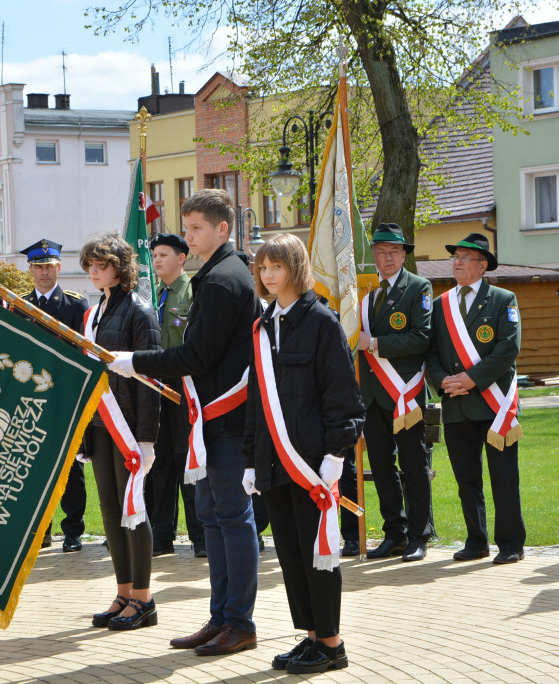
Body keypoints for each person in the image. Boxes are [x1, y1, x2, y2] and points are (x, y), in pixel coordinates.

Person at [108, 188, 260, 656]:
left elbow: (197, 354)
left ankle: (239, 622)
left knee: (232, 519)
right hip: (211, 418)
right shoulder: (214, 274)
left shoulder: (222, 280)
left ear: (222, 229)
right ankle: (221, 617)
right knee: (213, 517)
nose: (189, 236)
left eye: (196, 228)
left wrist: (135, 361)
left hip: (228, 419)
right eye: (187, 227)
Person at [243, 234, 364, 674]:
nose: (269, 275)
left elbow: (342, 398)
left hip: (312, 462)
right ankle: (311, 635)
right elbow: (258, 399)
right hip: (274, 463)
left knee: (319, 554)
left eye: (276, 266)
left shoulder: (321, 322)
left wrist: (336, 454)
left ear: (296, 268)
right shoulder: (262, 326)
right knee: (291, 553)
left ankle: (331, 643)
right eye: (263, 268)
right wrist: (251, 460)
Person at [425, 232, 526, 564]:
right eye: (455, 257)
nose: (457, 262)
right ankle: (476, 540)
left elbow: (507, 349)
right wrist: (444, 382)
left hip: (495, 405)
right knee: (466, 479)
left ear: (483, 266)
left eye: (465, 258)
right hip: (456, 407)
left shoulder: (502, 299)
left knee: (504, 476)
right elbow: (432, 354)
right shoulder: (442, 305)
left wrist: (471, 379)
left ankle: (510, 544)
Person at [79, 233, 161, 630]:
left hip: (129, 427)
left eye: (101, 265)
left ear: (121, 268)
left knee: (134, 510)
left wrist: (146, 439)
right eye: (90, 266)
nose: (94, 272)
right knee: (111, 512)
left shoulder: (140, 312)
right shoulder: (96, 311)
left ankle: (144, 599)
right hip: (100, 424)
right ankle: (124, 591)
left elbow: (148, 379)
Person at [356, 223, 433, 561]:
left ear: (404, 254)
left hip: (405, 393)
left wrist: (374, 343)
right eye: (381, 251)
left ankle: (418, 535)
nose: (386, 257)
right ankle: (394, 533)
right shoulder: (367, 295)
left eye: (393, 251)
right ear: (373, 255)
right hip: (372, 395)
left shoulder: (419, 288)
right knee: (383, 467)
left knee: (413, 464)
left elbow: (421, 338)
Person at [18, 238, 89, 552]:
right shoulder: (18, 303)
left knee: (71, 467)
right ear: (30, 269)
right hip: (30, 398)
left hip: (65, 397)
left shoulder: (76, 305)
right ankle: (40, 530)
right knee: (34, 464)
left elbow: (85, 353)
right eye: (38, 266)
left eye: (49, 266)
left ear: (59, 267)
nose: (44, 272)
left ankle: (73, 531)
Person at [145, 232, 205, 557]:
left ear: (181, 259)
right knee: (161, 460)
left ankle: (200, 536)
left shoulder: (193, 292)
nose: (157, 261)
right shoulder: (157, 295)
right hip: (159, 385)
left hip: (186, 384)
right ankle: (162, 536)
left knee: (187, 457)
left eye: (163, 255)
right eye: (154, 256)